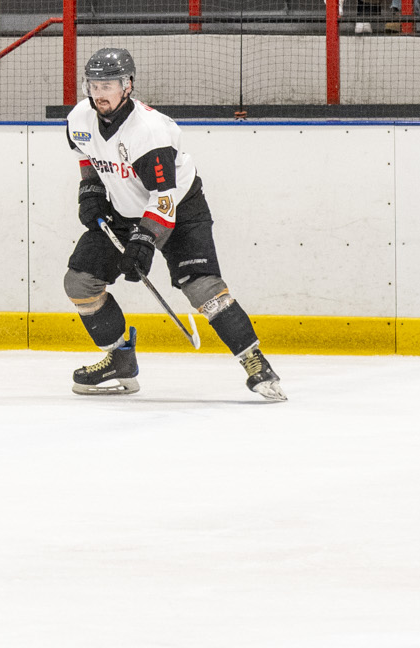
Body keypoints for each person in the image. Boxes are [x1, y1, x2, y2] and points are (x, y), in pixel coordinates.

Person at [61, 47, 285, 403]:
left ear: (128, 86)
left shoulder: (149, 132)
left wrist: (144, 242)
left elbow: (163, 199)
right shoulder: (79, 119)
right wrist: (90, 191)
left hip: (180, 209)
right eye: (94, 84)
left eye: (110, 84)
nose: (100, 93)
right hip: (123, 210)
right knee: (80, 282)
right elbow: (86, 157)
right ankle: (120, 360)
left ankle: (254, 361)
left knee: (202, 288)